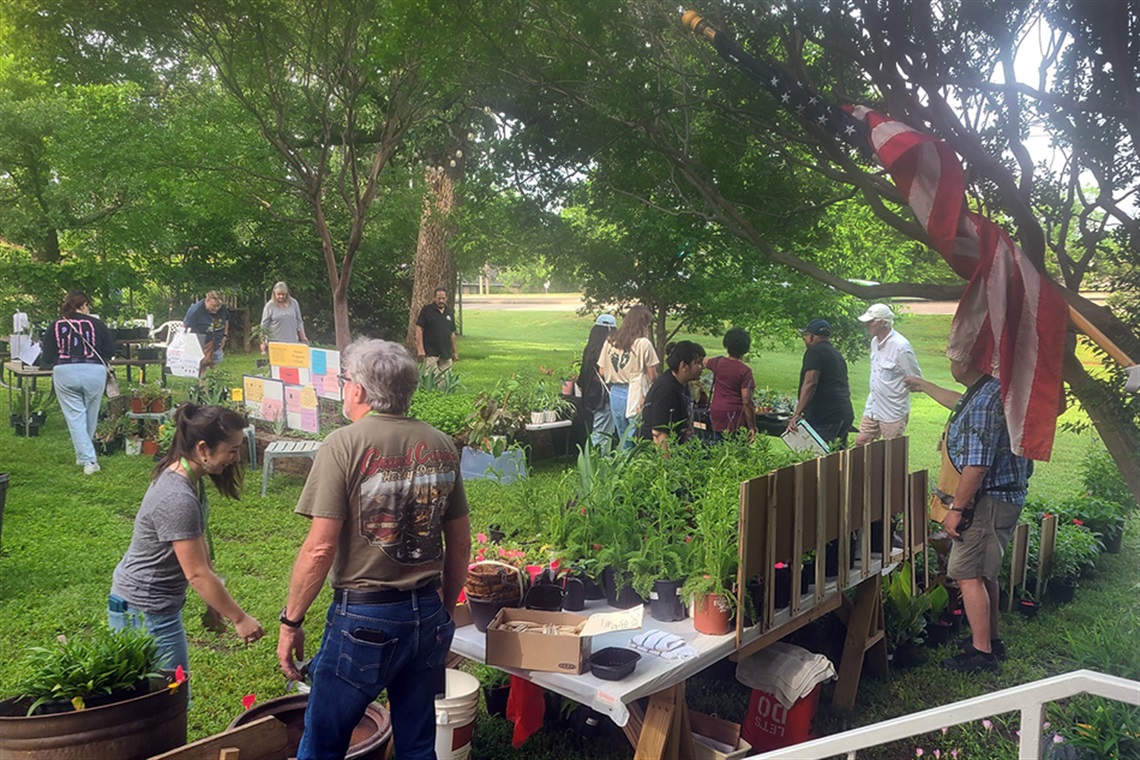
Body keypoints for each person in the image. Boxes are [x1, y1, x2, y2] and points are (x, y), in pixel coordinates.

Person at [277, 338, 470, 760]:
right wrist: (447, 611)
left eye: (346, 380)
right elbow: (459, 541)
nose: (344, 388)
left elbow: (318, 548)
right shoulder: (441, 445)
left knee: (323, 744)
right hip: (428, 612)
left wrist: (291, 621)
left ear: (359, 390)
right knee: (419, 745)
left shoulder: (342, 444)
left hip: (364, 619)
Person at [109, 405, 265, 676]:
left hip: (149, 608)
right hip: (144, 612)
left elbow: (199, 543)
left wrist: (214, 602)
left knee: (163, 702)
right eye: (232, 449)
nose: (237, 458)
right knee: (168, 701)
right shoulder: (177, 497)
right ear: (203, 448)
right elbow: (196, 573)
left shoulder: (189, 477)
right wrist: (239, 618)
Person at [905, 359, 1032, 673]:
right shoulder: (990, 390)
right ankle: (991, 641)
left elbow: (976, 467)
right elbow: (958, 402)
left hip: (986, 501)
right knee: (983, 572)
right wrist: (922, 385)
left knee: (966, 573)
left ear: (966, 362)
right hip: (1002, 496)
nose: (949, 364)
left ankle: (982, 654)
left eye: (952, 358)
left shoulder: (985, 400)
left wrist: (956, 510)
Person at [39, 291, 116, 475]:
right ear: (84, 305)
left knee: (75, 417)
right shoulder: (97, 324)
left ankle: (86, 457)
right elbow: (110, 350)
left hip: (65, 372)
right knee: (91, 416)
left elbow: (47, 357)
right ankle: (88, 459)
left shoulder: (55, 325)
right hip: (94, 371)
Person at [855, 304, 921, 446]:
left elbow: (916, 379)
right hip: (873, 406)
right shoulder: (874, 342)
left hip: (893, 412)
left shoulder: (901, 346)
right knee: (861, 442)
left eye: (871, 321)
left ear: (883, 322)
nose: (867, 325)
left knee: (891, 453)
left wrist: (896, 392)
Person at [597, 305, 658, 445]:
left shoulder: (610, 341)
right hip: (635, 393)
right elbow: (652, 376)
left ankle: (622, 465)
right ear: (643, 324)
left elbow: (601, 371)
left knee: (623, 437)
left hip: (615, 392)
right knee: (635, 437)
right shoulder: (643, 344)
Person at [787, 318, 853, 447]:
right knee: (838, 458)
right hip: (844, 411)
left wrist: (797, 414)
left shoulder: (814, 352)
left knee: (817, 459)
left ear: (811, 336)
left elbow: (811, 382)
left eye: (806, 335)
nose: (805, 339)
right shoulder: (836, 354)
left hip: (824, 416)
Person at [639, 340, 706, 452]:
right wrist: (667, 467)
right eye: (698, 363)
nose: (703, 367)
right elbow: (659, 434)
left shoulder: (681, 383)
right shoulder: (666, 390)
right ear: (684, 366)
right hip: (654, 454)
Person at [706, 327, 757, 442]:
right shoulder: (745, 371)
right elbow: (747, 401)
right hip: (736, 418)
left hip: (716, 413)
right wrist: (752, 426)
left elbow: (704, 361)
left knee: (718, 450)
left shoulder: (717, 362)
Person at [579, 314, 617, 448]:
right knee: (602, 433)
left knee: (600, 429)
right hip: (604, 397)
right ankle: (593, 463)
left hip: (591, 396)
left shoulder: (589, 349)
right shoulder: (609, 349)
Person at [415, 287, 459, 374]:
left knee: (445, 381)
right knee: (431, 379)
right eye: (439, 298)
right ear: (434, 298)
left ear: (446, 298)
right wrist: (420, 349)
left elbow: (452, 333)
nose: (441, 300)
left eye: (443, 298)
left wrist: (455, 352)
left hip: (446, 352)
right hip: (430, 352)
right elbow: (419, 329)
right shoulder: (427, 310)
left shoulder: (449, 312)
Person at [183, 291, 230, 368]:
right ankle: (202, 379)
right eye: (213, 306)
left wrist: (224, 336)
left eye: (218, 306)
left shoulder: (222, 308)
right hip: (201, 345)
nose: (216, 309)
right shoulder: (195, 310)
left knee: (215, 369)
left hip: (217, 343)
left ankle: (214, 379)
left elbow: (226, 320)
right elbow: (186, 326)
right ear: (207, 301)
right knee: (202, 367)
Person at [260, 281, 308, 352]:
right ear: (274, 293)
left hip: (292, 342)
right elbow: (264, 325)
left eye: (283, 294)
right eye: (278, 294)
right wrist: (263, 342)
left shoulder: (294, 303)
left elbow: (299, 321)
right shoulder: (269, 306)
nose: (281, 296)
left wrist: (303, 335)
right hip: (275, 343)